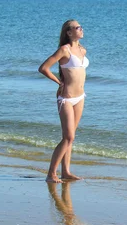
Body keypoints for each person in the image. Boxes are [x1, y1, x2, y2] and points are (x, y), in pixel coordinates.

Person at [38, 20, 89, 182]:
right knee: (68, 137)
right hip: (66, 98)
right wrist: (59, 82)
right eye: (77, 28)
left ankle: (66, 171)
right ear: (68, 32)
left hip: (80, 97)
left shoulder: (82, 49)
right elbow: (44, 68)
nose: (81, 29)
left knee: (70, 137)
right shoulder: (64, 50)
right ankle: (51, 174)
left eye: (81, 27)